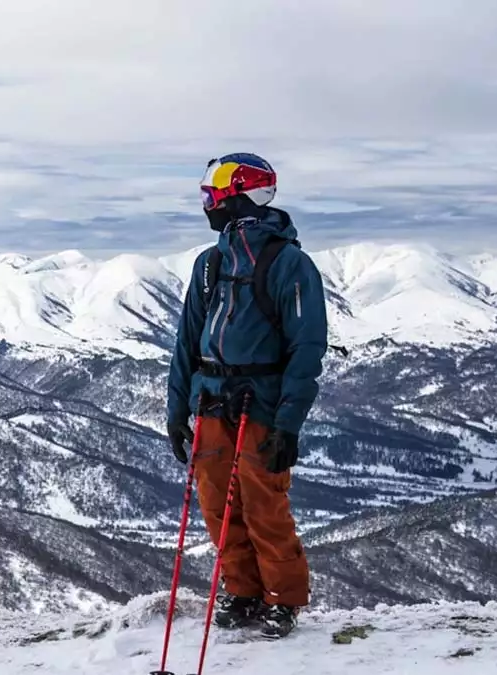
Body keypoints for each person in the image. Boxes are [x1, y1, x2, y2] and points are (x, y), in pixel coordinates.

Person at [166, 152, 328, 639]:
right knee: (218, 506)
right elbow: (187, 341)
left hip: (260, 404)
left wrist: (287, 425)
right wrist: (177, 411)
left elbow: (306, 347)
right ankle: (243, 591)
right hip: (212, 401)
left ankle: (282, 598)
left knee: (264, 506)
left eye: (214, 189)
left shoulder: (290, 264)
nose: (208, 200)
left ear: (239, 194)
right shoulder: (209, 264)